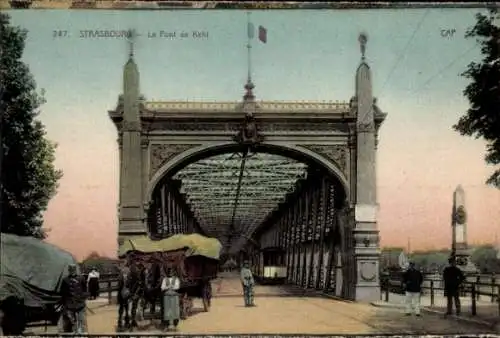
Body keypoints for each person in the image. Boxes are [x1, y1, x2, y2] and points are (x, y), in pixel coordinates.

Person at [60, 264, 87, 334]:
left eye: (73, 270)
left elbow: (85, 290)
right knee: (70, 323)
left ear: (76, 270)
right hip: (70, 305)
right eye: (71, 270)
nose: (72, 272)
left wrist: (83, 298)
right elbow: (62, 293)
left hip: (80, 304)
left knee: (82, 321)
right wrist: (64, 304)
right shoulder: (65, 280)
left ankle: (83, 334)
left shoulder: (81, 278)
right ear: (69, 270)